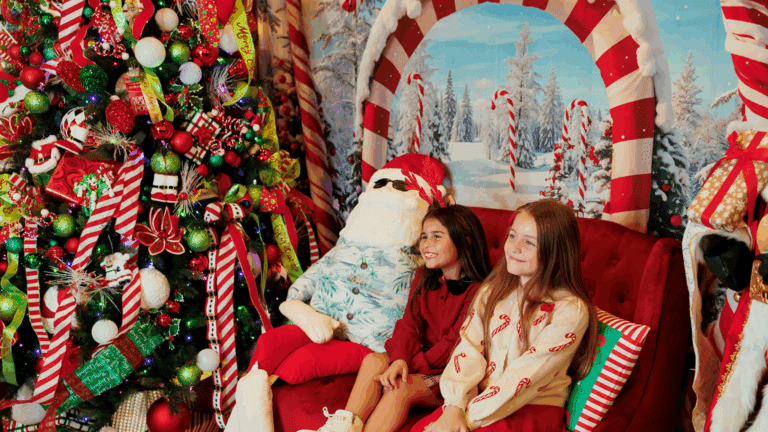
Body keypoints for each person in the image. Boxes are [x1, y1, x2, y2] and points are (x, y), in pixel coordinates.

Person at [301, 204, 492, 432]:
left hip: (450, 371)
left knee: (400, 386)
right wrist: (400, 359)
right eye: (424, 237)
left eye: (436, 237)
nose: (426, 245)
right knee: (374, 360)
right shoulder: (423, 276)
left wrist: (408, 366)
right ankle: (342, 426)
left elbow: (454, 345)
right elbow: (408, 323)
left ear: (466, 240)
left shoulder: (479, 291)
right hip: (419, 358)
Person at [414, 199, 598, 432]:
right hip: (480, 401)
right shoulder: (493, 291)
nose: (515, 247)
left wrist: (467, 420)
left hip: (529, 409)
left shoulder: (570, 310)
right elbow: (468, 349)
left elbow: (523, 379)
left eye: (529, 242)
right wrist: (453, 407)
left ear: (555, 249)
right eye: (512, 236)